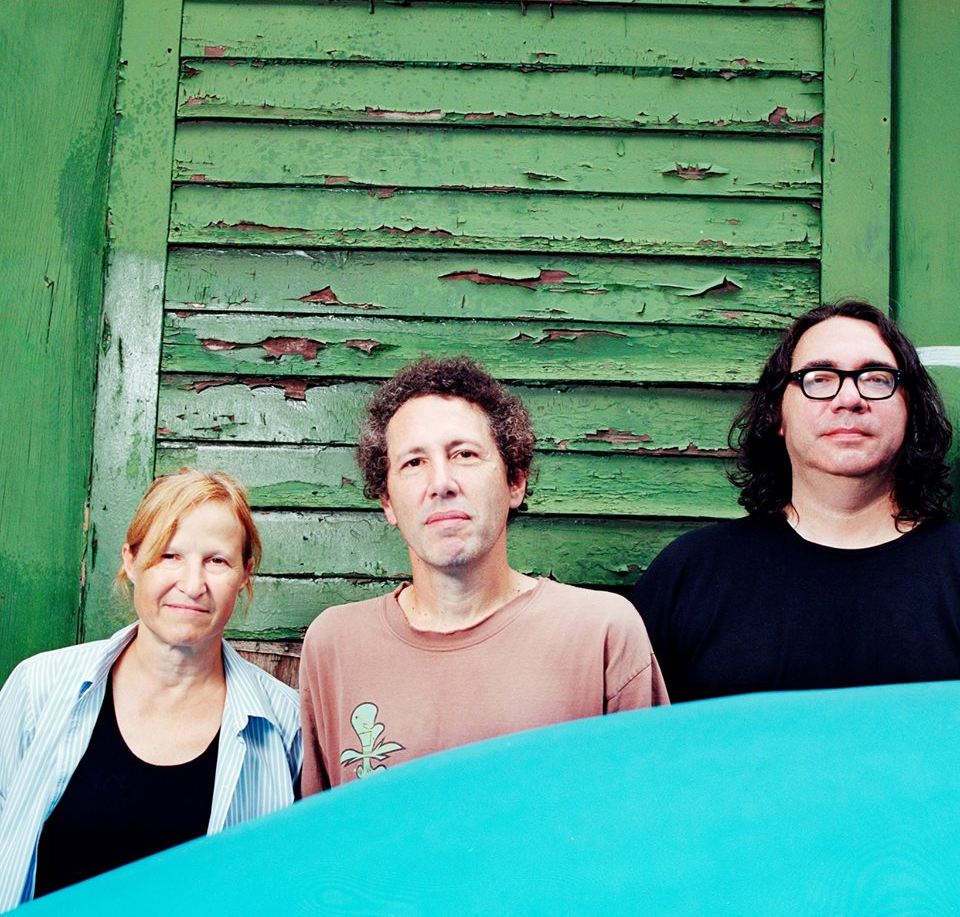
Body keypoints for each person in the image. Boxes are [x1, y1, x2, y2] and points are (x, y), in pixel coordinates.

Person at [300, 357, 667, 792]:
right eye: (414, 462)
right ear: (388, 502)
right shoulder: (335, 645)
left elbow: (647, 809)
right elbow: (325, 826)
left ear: (515, 482)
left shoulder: (602, 632)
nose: (441, 483)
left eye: (465, 455)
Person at [0, 469, 302, 910]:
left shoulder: (285, 725)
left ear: (244, 574)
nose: (193, 585)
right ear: (131, 560)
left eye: (217, 561)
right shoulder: (38, 689)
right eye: (169, 555)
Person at [630, 300, 960, 703]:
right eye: (819, 379)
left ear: (910, 409)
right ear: (777, 415)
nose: (849, 398)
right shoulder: (692, 572)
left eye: (876, 378)